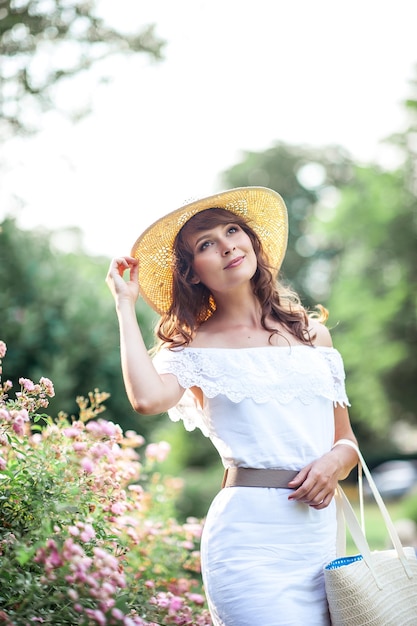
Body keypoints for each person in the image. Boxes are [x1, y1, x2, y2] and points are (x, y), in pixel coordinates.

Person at [106, 186, 359, 626]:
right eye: (206, 244)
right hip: (248, 546)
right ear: (192, 272)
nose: (226, 246)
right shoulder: (193, 348)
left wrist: (333, 463)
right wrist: (125, 306)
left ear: (250, 240)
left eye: (232, 231)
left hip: (318, 540)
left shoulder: (313, 336)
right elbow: (146, 399)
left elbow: (347, 441)